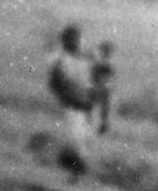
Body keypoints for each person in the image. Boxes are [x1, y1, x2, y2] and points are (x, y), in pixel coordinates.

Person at [47, 24, 94, 173]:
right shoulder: (62, 60)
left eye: (78, 39)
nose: (78, 42)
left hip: (84, 102)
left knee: (81, 135)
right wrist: (65, 95)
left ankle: (73, 163)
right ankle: (77, 167)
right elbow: (55, 83)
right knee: (75, 136)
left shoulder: (85, 58)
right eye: (74, 39)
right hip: (73, 102)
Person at [90, 39, 116, 137]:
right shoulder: (104, 62)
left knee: (101, 108)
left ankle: (101, 126)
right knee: (102, 108)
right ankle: (101, 126)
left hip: (100, 86)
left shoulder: (101, 61)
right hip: (101, 86)